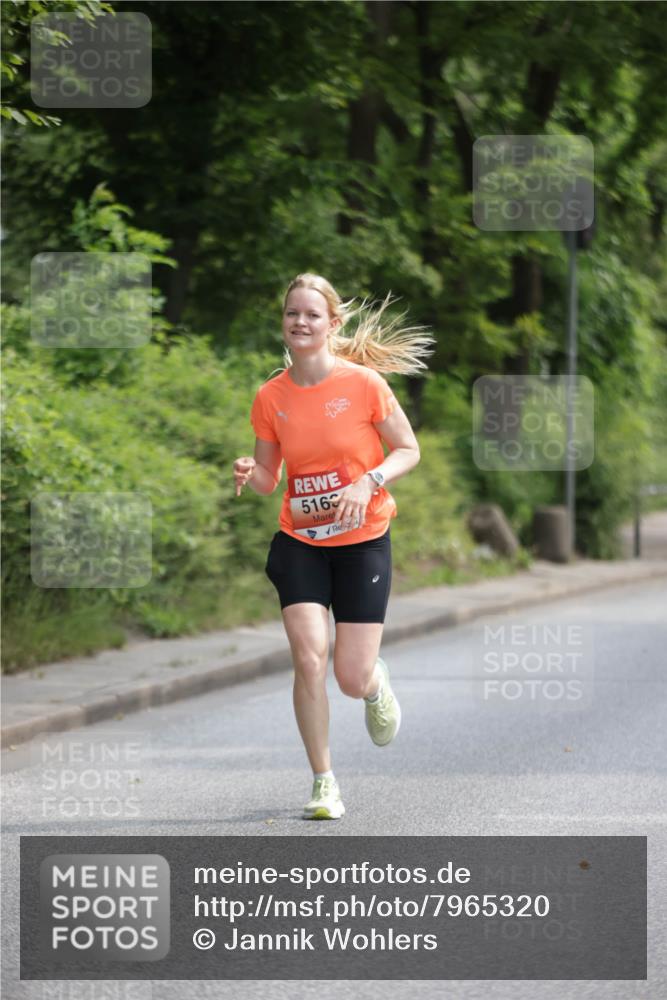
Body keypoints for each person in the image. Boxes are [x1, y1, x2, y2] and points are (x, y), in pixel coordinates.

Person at [233, 273, 432, 820]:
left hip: (363, 541)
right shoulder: (270, 396)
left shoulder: (364, 384)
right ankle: (324, 782)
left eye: (311, 315)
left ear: (332, 325)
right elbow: (270, 477)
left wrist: (370, 480)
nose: (300, 322)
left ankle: (373, 684)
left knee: (349, 676)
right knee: (307, 656)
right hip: (300, 541)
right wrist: (250, 471)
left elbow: (408, 449)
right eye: (292, 313)